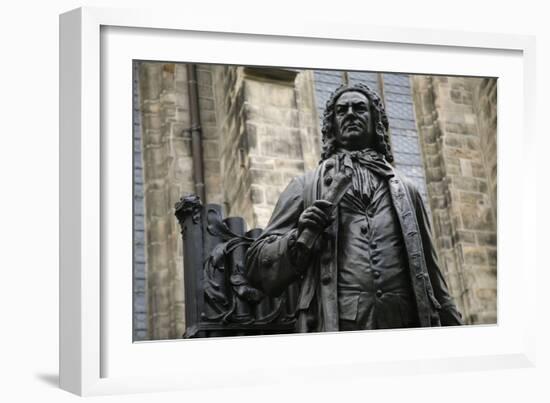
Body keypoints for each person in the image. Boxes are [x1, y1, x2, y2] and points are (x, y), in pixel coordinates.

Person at [245, 82, 463, 332]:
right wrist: (297, 237)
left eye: (359, 108)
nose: (350, 113)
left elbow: (433, 277)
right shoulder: (305, 186)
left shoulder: (407, 190)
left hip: (404, 326)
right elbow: (256, 266)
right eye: (342, 110)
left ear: (375, 121)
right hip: (338, 325)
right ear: (332, 126)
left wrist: (456, 331)